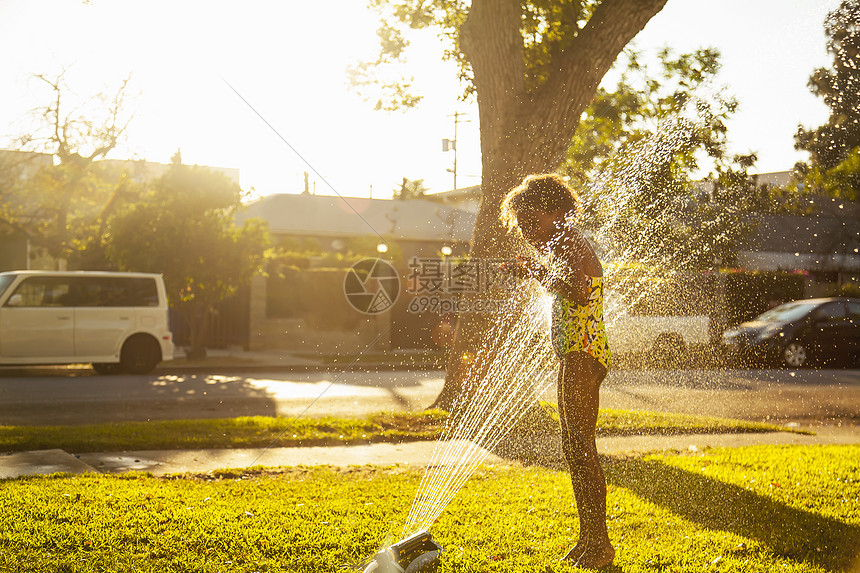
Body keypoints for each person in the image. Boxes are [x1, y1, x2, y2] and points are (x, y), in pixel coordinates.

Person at [500, 173, 615, 569]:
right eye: (523, 226)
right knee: (574, 447)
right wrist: (534, 270)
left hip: (583, 351)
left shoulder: (567, 238)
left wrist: (534, 272)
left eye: (533, 222)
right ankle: (589, 540)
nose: (529, 232)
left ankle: (599, 545)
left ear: (555, 212)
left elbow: (580, 290)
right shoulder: (561, 241)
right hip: (577, 351)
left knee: (581, 446)